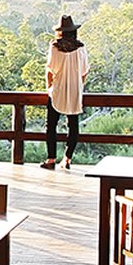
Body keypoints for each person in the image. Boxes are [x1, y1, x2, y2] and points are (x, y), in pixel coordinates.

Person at [42, 15, 89, 170]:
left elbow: (50, 69)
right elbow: (84, 71)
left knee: (51, 125)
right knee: (73, 125)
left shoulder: (55, 47)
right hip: (75, 89)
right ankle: (67, 159)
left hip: (58, 89)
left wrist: (49, 87)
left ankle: (51, 159)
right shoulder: (80, 48)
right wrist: (79, 86)